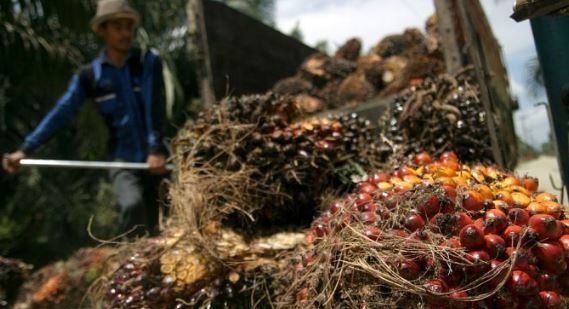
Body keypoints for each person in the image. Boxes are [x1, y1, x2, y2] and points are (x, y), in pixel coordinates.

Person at [2, 0, 169, 237]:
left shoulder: (147, 63)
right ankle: (130, 262)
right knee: (132, 206)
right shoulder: (90, 76)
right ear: (103, 30)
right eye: (117, 27)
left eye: (128, 27)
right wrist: (26, 148)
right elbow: (61, 112)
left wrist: (156, 148)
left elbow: (155, 108)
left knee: (163, 225)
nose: (125, 33)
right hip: (122, 158)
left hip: (158, 156)